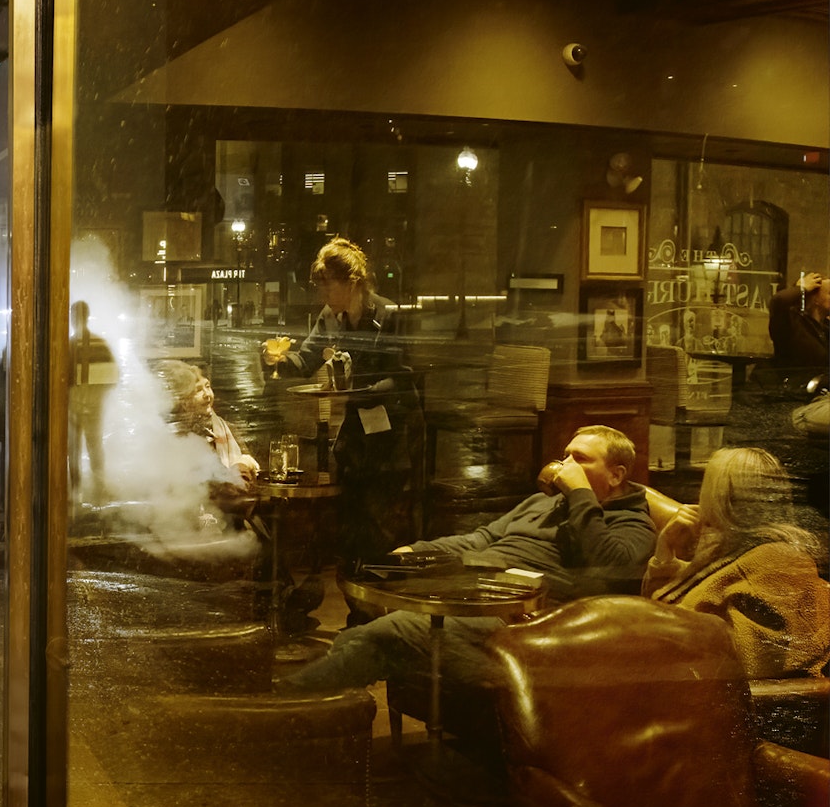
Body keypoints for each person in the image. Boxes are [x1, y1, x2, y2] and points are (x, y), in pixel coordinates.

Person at [283, 425, 655, 695]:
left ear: (616, 474)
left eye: (581, 459)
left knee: (387, 633)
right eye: (566, 455)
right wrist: (420, 550)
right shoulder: (545, 502)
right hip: (474, 588)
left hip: (525, 617)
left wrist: (579, 495)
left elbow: (610, 569)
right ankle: (325, 720)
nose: (566, 465)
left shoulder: (633, 523)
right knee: (366, 616)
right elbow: (484, 537)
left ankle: (289, 703)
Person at [288, 237, 423, 579]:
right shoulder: (331, 316)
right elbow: (305, 359)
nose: (323, 296)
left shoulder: (389, 315)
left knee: (382, 528)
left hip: (391, 435)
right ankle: (357, 609)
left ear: (352, 283)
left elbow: (403, 378)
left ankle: (381, 607)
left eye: (328, 287)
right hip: (357, 437)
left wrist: (359, 390)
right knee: (351, 525)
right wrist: (276, 359)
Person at [643, 447, 828, 679]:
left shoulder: (777, 560)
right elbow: (665, 603)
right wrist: (664, 553)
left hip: (727, 705)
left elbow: (753, 658)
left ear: (724, 497)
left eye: (706, 485)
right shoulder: (731, 548)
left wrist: (666, 632)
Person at [157, 359, 259, 484]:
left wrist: (243, 465)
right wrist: (239, 469)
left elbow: (248, 460)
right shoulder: (178, 434)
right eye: (198, 390)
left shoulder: (226, 427)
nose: (207, 394)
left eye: (208, 386)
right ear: (183, 399)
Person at [69, 300, 119, 501]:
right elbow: (112, 377)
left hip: (74, 404)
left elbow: (60, 379)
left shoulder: (69, 345)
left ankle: (76, 489)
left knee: (75, 447)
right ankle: (97, 488)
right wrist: (98, 396)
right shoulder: (100, 343)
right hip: (91, 405)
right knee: (93, 446)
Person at [768, 271, 829, 375]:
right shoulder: (792, 324)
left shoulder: (825, 327)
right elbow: (777, 301)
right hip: (793, 388)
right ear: (815, 299)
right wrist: (800, 289)